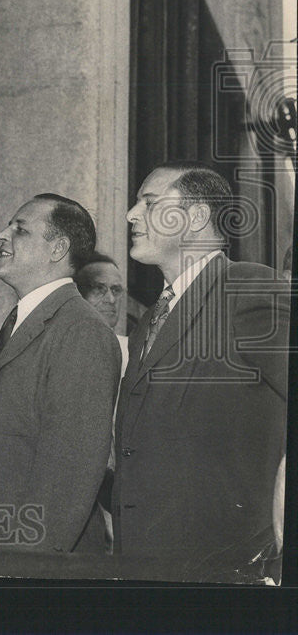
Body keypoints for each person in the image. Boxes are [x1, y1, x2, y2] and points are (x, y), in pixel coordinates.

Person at [113, 161, 289, 581]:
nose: (130, 215)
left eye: (149, 202)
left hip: (225, 570)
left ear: (195, 217)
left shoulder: (248, 290)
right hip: (143, 566)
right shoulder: (146, 326)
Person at [0, 194, 121, 551]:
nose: (1, 235)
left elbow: (68, 478)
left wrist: (24, 572)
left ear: (57, 249)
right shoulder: (21, 320)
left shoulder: (81, 331)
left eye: (20, 230)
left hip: (33, 559)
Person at [74, 251, 130, 549]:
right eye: (99, 289)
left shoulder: (132, 352)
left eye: (116, 290)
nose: (111, 299)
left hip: (124, 498)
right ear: (78, 295)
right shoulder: (63, 352)